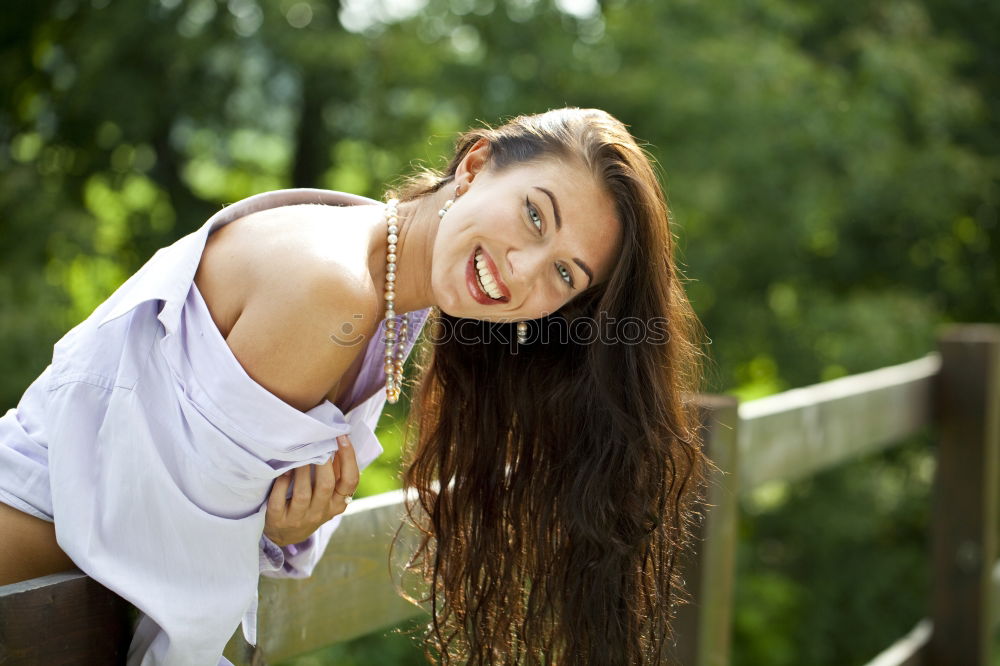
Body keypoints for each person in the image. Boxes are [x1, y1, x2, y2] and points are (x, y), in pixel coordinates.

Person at [0, 107, 710, 665]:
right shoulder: (334, 291)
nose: (525, 270)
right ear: (475, 166)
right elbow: (183, 591)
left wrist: (274, 527)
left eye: (564, 275)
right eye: (534, 214)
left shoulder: (388, 291)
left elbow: (187, 503)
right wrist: (264, 531)